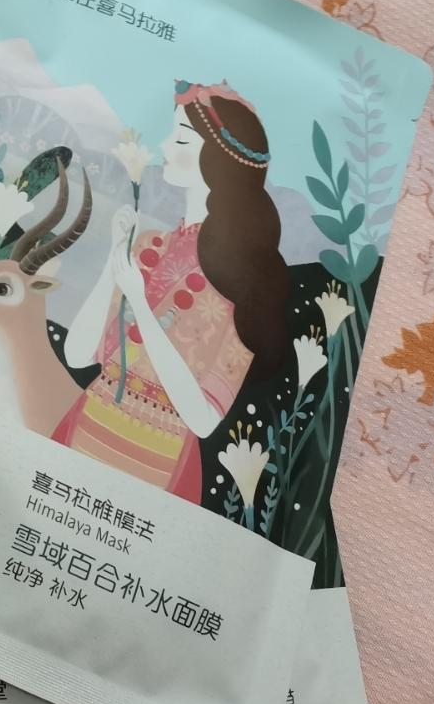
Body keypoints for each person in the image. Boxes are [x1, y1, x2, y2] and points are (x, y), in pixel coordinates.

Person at [51, 82, 287, 501]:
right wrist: (114, 259)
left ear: (217, 159)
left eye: (179, 139)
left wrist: (140, 305)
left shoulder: (246, 279)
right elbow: (78, 355)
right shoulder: (148, 247)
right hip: (84, 432)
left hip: (159, 463)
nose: (163, 146)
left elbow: (203, 419)